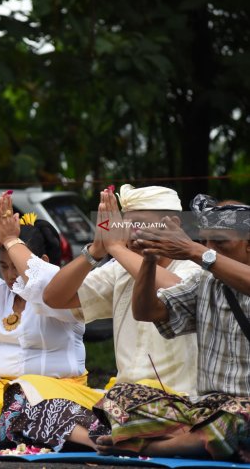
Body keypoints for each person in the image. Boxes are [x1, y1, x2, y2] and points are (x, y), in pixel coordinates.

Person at [94, 195, 250, 461]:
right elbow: (147, 311)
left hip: (243, 412)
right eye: (206, 241)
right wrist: (149, 259)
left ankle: (151, 448)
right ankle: (198, 442)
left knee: (239, 422)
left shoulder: (203, 262)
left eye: (220, 243)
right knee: (121, 397)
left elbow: (204, 257)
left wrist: (196, 251)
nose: (211, 248)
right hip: (205, 409)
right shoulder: (206, 282)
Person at [0, 192, 102, 451]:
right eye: (4, 266)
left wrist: (13, 240)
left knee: (22, 398)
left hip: (55, 392)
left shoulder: (61, 294)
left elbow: (44, 283)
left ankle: (0, 435)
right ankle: (13, 434)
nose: (11, 275)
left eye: (16, 266)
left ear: (42, 263)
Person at [43, 185, 199, 395]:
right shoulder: (120, 270)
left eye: (139, 225)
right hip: (124, 398)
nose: (130, 234)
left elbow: (180, 292)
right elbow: (53, 297)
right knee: (34, 393)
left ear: (173, 225)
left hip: (179, 402)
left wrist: (115, 248)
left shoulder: (194, 270)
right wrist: (96, 251)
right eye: (125, 226)